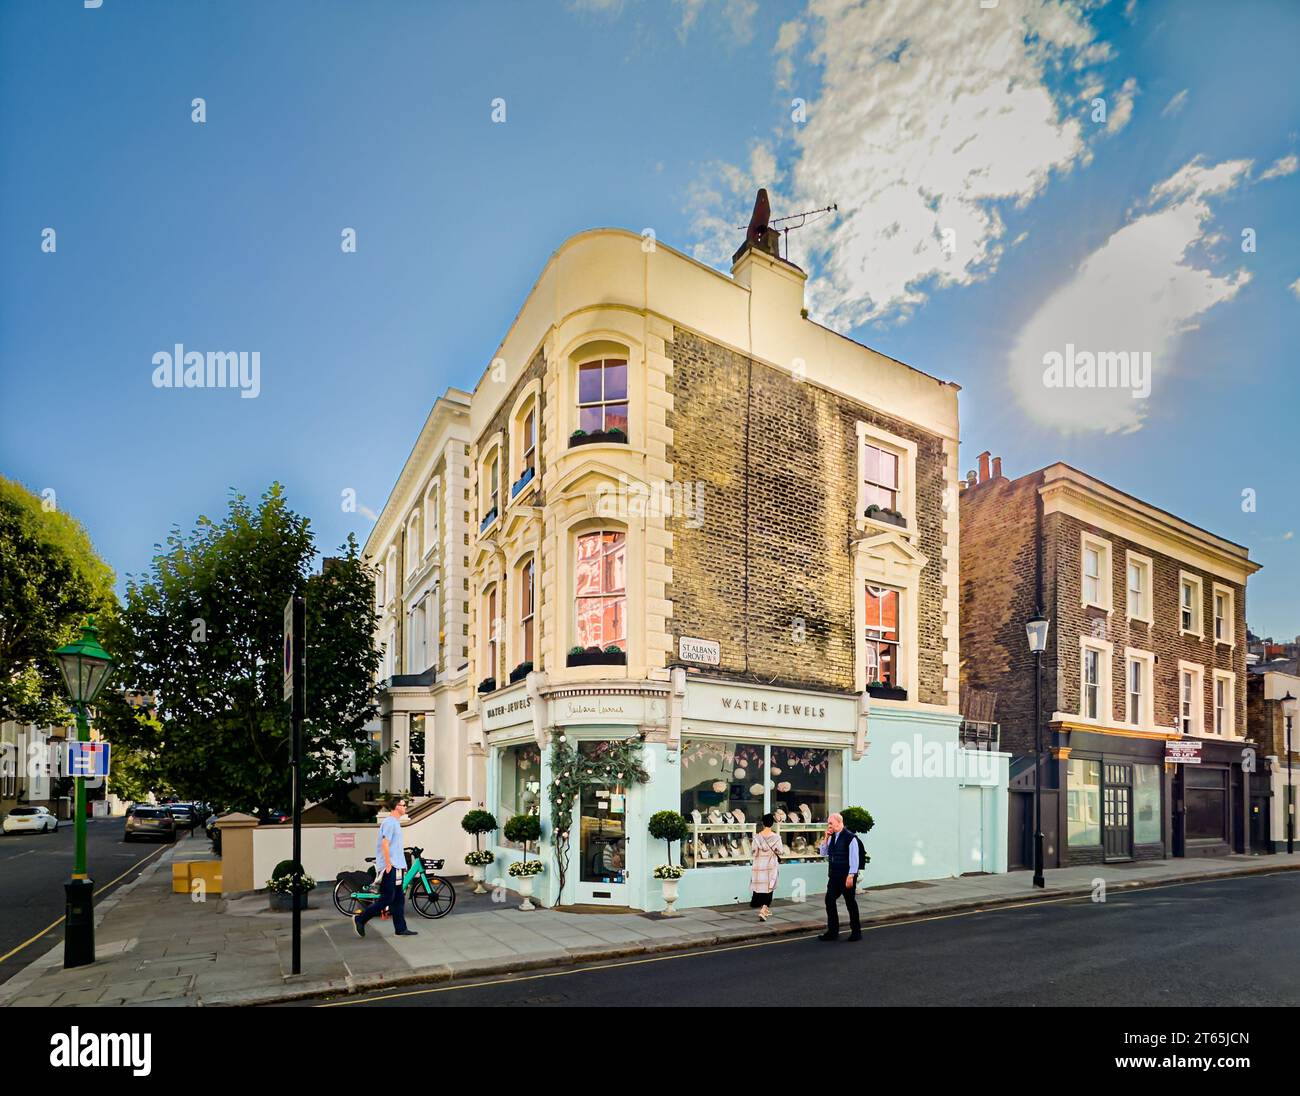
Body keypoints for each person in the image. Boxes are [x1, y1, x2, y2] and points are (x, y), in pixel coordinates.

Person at [353, 799, 418, 938]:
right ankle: (361, 919)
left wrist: (401, 865)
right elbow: (385, 844)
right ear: (396, 807)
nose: (406, 807)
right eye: (403, 805)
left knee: (398, 898)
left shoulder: (395, 823)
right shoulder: (389, 823)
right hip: (391, 867)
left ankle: (400, 929)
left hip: (397, 866)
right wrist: (388, 864)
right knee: (387, 898)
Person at [817, 811, 861, 941]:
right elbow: (823, 853)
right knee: (829, 900)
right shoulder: (832, 836)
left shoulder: (850, 837)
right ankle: (833, 931)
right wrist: (826, 837)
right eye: (828, 823)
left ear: (839, 822)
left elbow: (854, 859)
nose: (829, 825)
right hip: (834, 876)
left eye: (831, 823)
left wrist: (851, 875)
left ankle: (856, 932)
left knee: (850, 903)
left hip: (846, 876)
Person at [749, 813, 784, 920]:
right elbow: (781, 852)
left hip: (759, 866)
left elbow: (753, 852)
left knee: (760, 888)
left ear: (763, 823)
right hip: (770, 866)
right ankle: (764, 910)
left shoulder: (757, 837)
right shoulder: (776, 838)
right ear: (772, 824)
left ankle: (764, 909)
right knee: (769, 888)